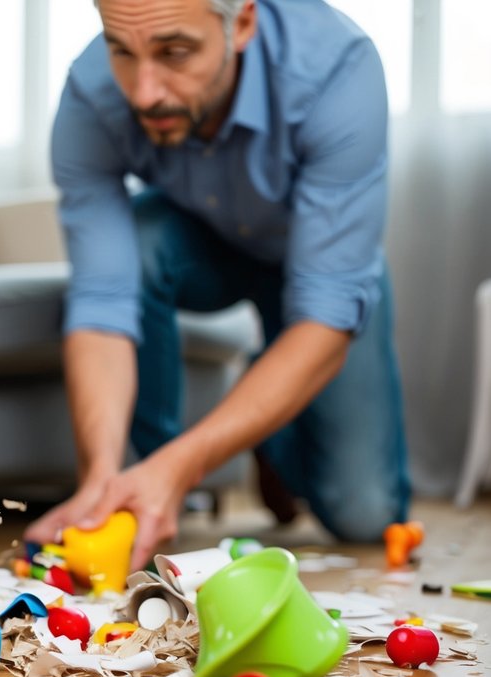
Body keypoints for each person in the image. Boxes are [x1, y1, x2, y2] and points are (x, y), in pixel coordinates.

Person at [25, 0, 410, 570]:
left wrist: (191, 458)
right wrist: (99, 480)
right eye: (122, 51)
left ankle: (261, 429)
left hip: (323, 267)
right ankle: (153, 478)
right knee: (142, 238)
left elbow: (326, 315)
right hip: (196, 246)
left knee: (365, 514)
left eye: (175, 52)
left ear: (244, 23)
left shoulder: (337, 69)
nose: (145, 91)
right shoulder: (90, 93)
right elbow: (102, 303)